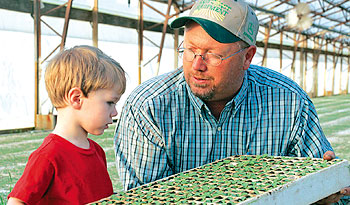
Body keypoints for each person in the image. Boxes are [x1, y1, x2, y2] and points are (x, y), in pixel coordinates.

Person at [114, 0, 349, 203]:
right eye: (189, 50)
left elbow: (328, 184)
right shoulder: (148, 108)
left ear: (247, 57)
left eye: (214, 55)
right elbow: (146, 199)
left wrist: (326, 188)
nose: (197, 65)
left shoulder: (289, 101)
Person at [7, 45, 126, 205]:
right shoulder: (48, 156)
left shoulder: (97, 151)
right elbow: (17, 202)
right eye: (110, 102)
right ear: (76, 98)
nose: (115, 112)